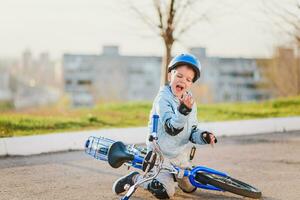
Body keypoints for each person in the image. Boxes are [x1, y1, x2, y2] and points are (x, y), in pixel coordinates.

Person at [112, 53, 217, 199]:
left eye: (188, 79)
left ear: (191, 83)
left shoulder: (189, 102)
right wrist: (183, 110)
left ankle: (177, 178)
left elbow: (192, 131)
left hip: (179, 156)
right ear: (170, 76)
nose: (183, 81)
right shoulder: (163, 99)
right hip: (160, 156)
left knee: (190, 187)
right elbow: (171, 127)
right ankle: (136, 179)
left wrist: (203, 136)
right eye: (179, 76)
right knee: (164, 192)